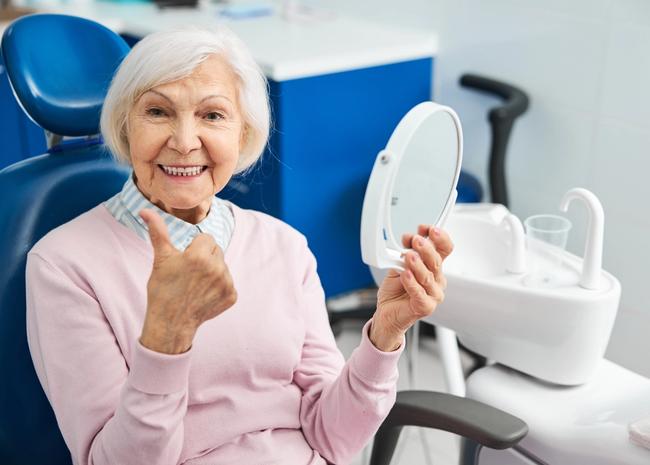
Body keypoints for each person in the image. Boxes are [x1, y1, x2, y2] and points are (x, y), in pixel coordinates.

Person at [25, 27, 453, 465]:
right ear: (125, 126)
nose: (185, 141)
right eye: (157, 111)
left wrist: (384, 335)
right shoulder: (64, 266)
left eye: (212, 116)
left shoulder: (284, 246)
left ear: (243, 134)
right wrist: (165, 339)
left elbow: (332, 438)